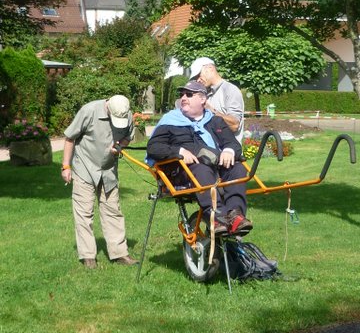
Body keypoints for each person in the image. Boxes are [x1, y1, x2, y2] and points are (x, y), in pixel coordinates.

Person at [147, 81, 252, 235]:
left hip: (215, 167)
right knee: (201, 168)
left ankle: (236, 216)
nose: (183, 98)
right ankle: (218, 217)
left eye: (189, 94)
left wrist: (229, 150)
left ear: (203, 99)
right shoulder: (170, 121)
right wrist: (179, 151)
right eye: (182, 94)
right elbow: (153, 148)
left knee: (237, 167)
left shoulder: (215, 121)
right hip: (184, 172)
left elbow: (233, 144)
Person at [61, 95, 138, 269]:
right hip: (85, 169)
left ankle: (119, 254)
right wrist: (66, 166)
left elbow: (127, 137)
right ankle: (88, 256)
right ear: (108, 107)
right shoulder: (89, 111)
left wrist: (119, 146)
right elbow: (69, 138)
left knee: (113, 211)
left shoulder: (127, 114)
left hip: (109, 171)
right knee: (84, 213)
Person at [189, 57, 245, 142]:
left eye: (198, 75)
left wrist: (210, 111)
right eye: (195, 78)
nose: (198, 80)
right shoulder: (205, 93)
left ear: (210, 68)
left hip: (229, 153)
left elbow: (234, 125)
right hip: (209, 152)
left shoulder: (230, 90)